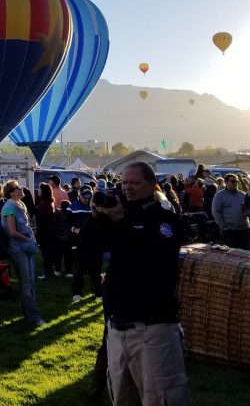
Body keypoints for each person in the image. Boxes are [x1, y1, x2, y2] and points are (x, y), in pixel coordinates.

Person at [93, 162, 187, 406]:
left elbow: (149, 255)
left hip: (153, 328)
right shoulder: (120, 216)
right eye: (124, 183)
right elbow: (87, 252)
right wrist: (97, 219)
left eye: (134, 183)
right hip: (116, 326)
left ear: (151, 184)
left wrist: (120, 222)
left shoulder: (164, 219)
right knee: (122, 397)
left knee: (160, 397)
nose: (128, 188)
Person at [1, 180, 44, 326]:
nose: (21, 189)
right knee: (26, 283)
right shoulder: (9, 208)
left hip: (26, 248)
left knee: (30, 282)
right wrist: (28, 239)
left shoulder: (20, 205)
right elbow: (12, 232)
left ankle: (32, 312)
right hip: (18, 250)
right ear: (12, 193)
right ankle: (33, 317)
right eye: (18, 188)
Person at [210, 174, 250, 250]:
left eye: (236, 181)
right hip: (230, 231)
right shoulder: (219, 195)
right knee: (232, 255)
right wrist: (223, 226)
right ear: (226, 182)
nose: (235, 183)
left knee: (246, 255)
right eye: (233, 181)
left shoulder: (243, 195)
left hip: (244, 229)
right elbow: (216, 212)